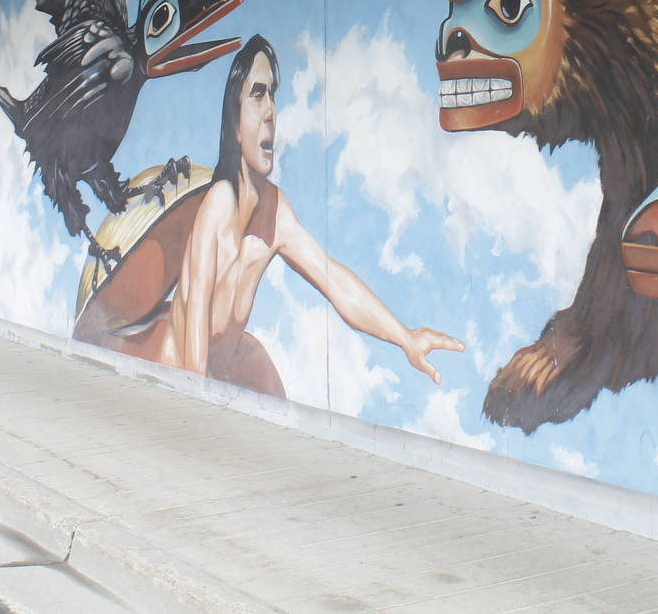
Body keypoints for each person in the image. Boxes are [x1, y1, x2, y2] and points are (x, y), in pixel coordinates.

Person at [156, 36, 462, 395]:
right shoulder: (220, 203)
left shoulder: (275, 212)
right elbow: (195, 314)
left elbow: (335, 281)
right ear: (235, 124)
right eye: (257, 94)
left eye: (273, 94)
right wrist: (197, 405)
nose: (271, 112)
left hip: (211, 388)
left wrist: (405, 337)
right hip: (170, 387)